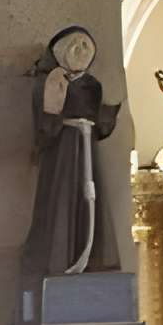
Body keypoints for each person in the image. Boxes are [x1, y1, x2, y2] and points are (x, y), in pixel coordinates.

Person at [24, 25, 123, 279]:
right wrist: (52, 110)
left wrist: (109, 109)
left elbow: (102, 122)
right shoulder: (52, 82)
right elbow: (45, 125)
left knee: (90, 199)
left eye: (86, 46)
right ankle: (62, 258)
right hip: (65, 149)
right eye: (75, 45)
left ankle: (92, 258)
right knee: (63, 197)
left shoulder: (93, 85)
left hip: (87, 145)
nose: (81, 51)